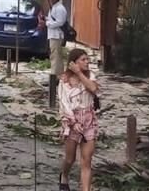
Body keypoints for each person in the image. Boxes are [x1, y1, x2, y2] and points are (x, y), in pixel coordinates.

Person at [58, 48, 100, 191]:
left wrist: (79, 73)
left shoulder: (90, 76)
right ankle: (64, 176)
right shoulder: (64, 81)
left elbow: (93, 89)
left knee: (86, 160)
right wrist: (73, 122)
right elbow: (64, 104)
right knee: (70, 159)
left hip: (89, 120)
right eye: (83, 59)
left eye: (87, 59)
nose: (87, 62)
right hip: (72, 120)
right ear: (73, 63)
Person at [44, 0, 67, 76]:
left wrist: (47, 23)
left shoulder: (60, 8)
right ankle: (59, 75)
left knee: (55, 57)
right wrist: (46, 19)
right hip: (53, 35)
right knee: (55, 56)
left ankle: (55, 76)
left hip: (57, 35)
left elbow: (60, 22)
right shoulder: (54, 8)